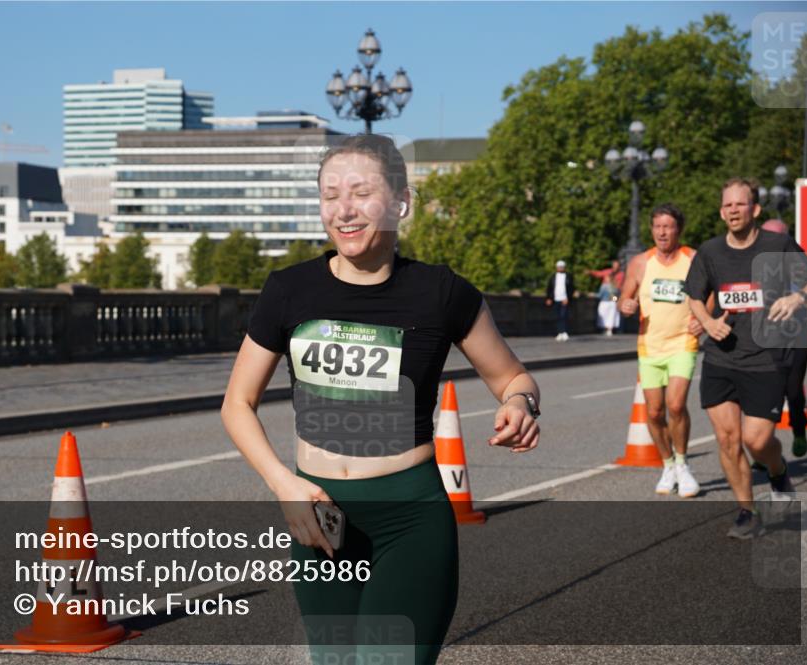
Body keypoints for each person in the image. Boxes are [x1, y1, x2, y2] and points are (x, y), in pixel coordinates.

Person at [220, 134, 541, 664]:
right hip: (319, 518)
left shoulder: (441, 293)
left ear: (401, 202)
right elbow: (237, 403)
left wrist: (520, 406)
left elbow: (513, 378)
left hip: (409, 519)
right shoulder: (288, 290)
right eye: (329, 195)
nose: (343, 209)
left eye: (361, 192)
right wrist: (285, 487)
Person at [683, 178, 807, 539]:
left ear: (755, 209)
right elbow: (694, 294)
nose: (732, 210)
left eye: (739, 204)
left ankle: (777, 472)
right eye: (727, 205)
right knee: (728, 440)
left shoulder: (778, 245)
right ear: (721, 211)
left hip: (767, 357)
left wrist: (798, 299)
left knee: (757, 441)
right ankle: (747, 511)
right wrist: (709, 322)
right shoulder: (710, 252)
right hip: (721, 357)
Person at [618, 204, 703, 497]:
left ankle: (682, 464)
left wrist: (703, 319)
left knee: (676, 405)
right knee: (654, 412)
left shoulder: (692, 259)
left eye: (668, 227)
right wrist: (625, 305)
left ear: (678, 229)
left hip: (683, 342)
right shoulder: (640, 263)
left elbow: (711, 292)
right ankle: (667, 464)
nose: (662, 232)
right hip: (650, 345)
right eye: (657, 227)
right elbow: (624, 297)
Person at [760, 218, 807, 458]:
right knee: (766, 393)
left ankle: (799, 430)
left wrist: (803, 303)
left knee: (793, 390)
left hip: (796, 334)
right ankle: (763, 448)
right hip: (766, 335)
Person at [546, 260, 574, 341]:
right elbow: (549, 288)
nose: (560, 268)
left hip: (564, 299)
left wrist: (568, 298)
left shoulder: (568, 276)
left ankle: (564, 332)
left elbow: (571, 288)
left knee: (563, 316)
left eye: (562, 267)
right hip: (555, 299)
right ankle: (559, 332)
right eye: (559, 267)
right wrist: (549, 298)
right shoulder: (553, 277)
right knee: (557, 316)